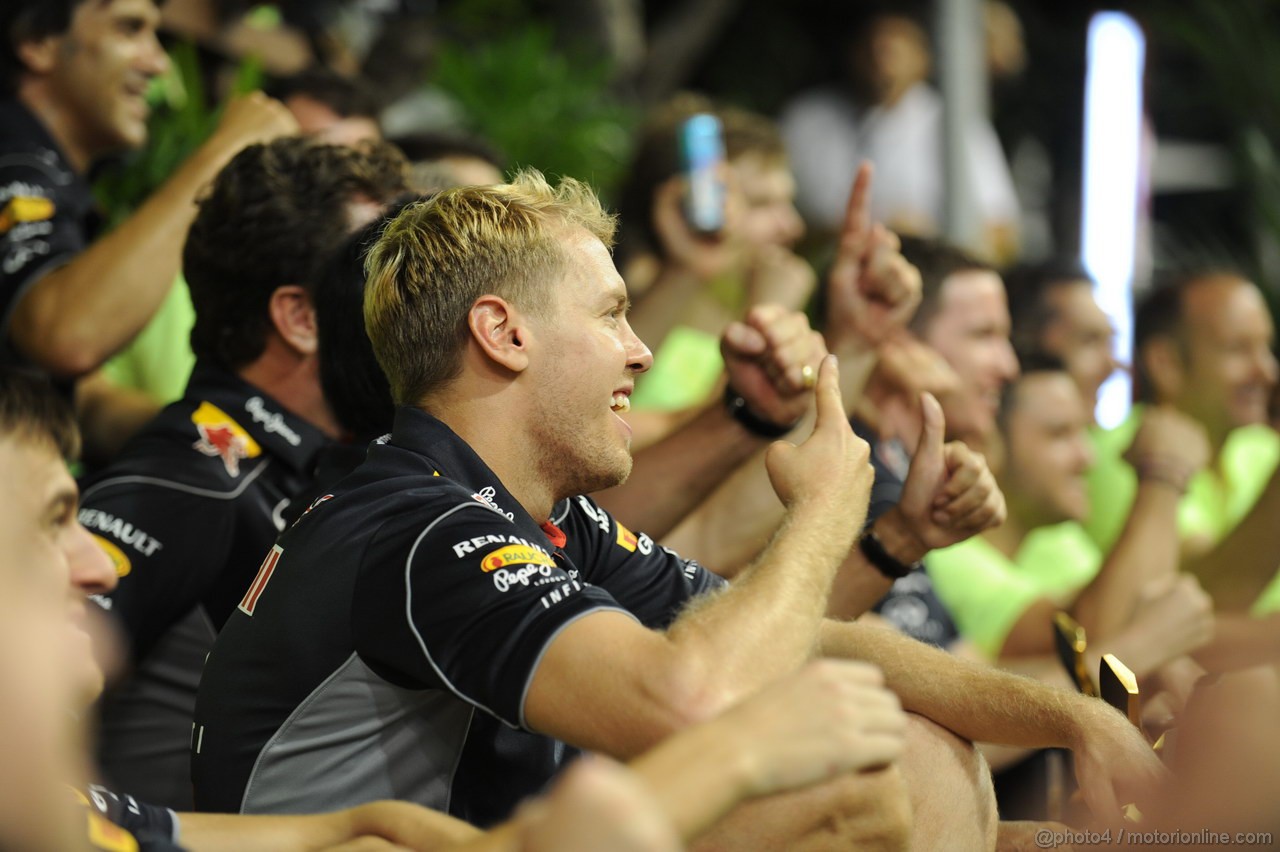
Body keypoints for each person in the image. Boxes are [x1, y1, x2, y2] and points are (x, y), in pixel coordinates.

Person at [192, 170, 1163, 848]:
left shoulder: (533, 516)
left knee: (942, 773)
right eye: (610, 313)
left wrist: (1071, 719)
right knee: (860, 779)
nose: (641, 351)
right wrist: (824, 514)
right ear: (502, 332)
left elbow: (813, 644)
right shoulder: (422, 526)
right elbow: (692, 704)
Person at [80, 137, 410, 809]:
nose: (419, 301)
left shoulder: (333, 467)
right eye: (387, 270)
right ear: (302, 317)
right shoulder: (192, 478)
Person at [0, 0, 297, 458]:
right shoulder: (12, 161)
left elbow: (80, 400)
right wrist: (226, 150)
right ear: (37, 43)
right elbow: (67, 338)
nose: (158, 63)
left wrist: (237, 436)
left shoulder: (56, 180)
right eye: (129, 28)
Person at [928, 356, 1214, 671]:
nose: (1087, 458)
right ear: (987, 443)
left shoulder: (1056, 538)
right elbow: (1092, 648)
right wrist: (1164, 475)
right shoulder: (944, 552)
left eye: (1084, 433)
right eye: (1060, 434)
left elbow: (1141, 612)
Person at [1085, 270, 1280, 668]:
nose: (1267, 372)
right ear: (1166, 363)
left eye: (1267, 348)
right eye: (1239, 349)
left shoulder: (1261, 449)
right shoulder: (1117, 456)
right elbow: (1190, 610)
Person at [780, 10, 1020, 262]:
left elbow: (1002, 229)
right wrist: (867, 231)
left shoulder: (954, 125)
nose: (881, 62)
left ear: (923, 59)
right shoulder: (806, 118)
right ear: (852, 54)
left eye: (893, 51)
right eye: (872, 49)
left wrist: (928, 239)